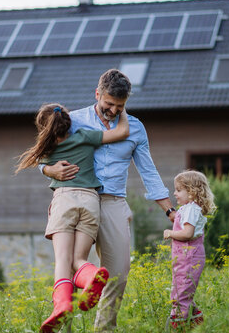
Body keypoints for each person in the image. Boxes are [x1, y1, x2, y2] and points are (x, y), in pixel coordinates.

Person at [42, 69, 175, 332]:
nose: (113, 110)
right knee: (67, 265)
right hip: (74, 196)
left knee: (118, 273)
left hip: (112, 201)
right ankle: (63, 327)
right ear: (97, 94)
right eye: (108, 104)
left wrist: (170, 210)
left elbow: (147, 171)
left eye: (120, 106)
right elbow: (43, 152)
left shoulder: (134, 128)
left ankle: (104, 328)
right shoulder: (74, 120)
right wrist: (49, 170)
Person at [16, 103, 130, 333]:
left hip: (65, 200)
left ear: (44, 129)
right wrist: (123, 109)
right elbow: (121, 133)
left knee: (63, 261)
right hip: (90, 201)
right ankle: (91, 277)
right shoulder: (85, 136)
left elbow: (37, 162)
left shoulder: (45, 149)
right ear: (69, 122)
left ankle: (61, 305)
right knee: (78, 259)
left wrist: (49, 169)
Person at [163, 170, 216, 328]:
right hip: (183, 258)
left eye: (179, 190)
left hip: (189, 258)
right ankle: (197, 323)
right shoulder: (186, 208)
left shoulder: (192, 209)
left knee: (181, 294)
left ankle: (178, 326)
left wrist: (170, 233)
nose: (175, 193)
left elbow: (188, 233)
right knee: (180, 290)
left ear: (192, 192)